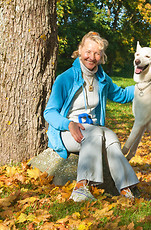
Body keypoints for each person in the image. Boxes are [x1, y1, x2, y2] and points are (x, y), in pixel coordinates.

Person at [44, 31, 139, 202]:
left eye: (97, 53)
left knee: (109, 135)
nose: (91, 57)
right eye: (88, 51)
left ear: (102, 57)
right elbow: (49, 112)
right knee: (96, 133)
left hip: (93, 131)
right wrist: (69, 124)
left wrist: (144, 87)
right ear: (80, 50)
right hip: (69, 132)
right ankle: (81, 188)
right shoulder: (65, 78)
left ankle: (125, 189)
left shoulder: (102, 79)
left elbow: (122, 95)